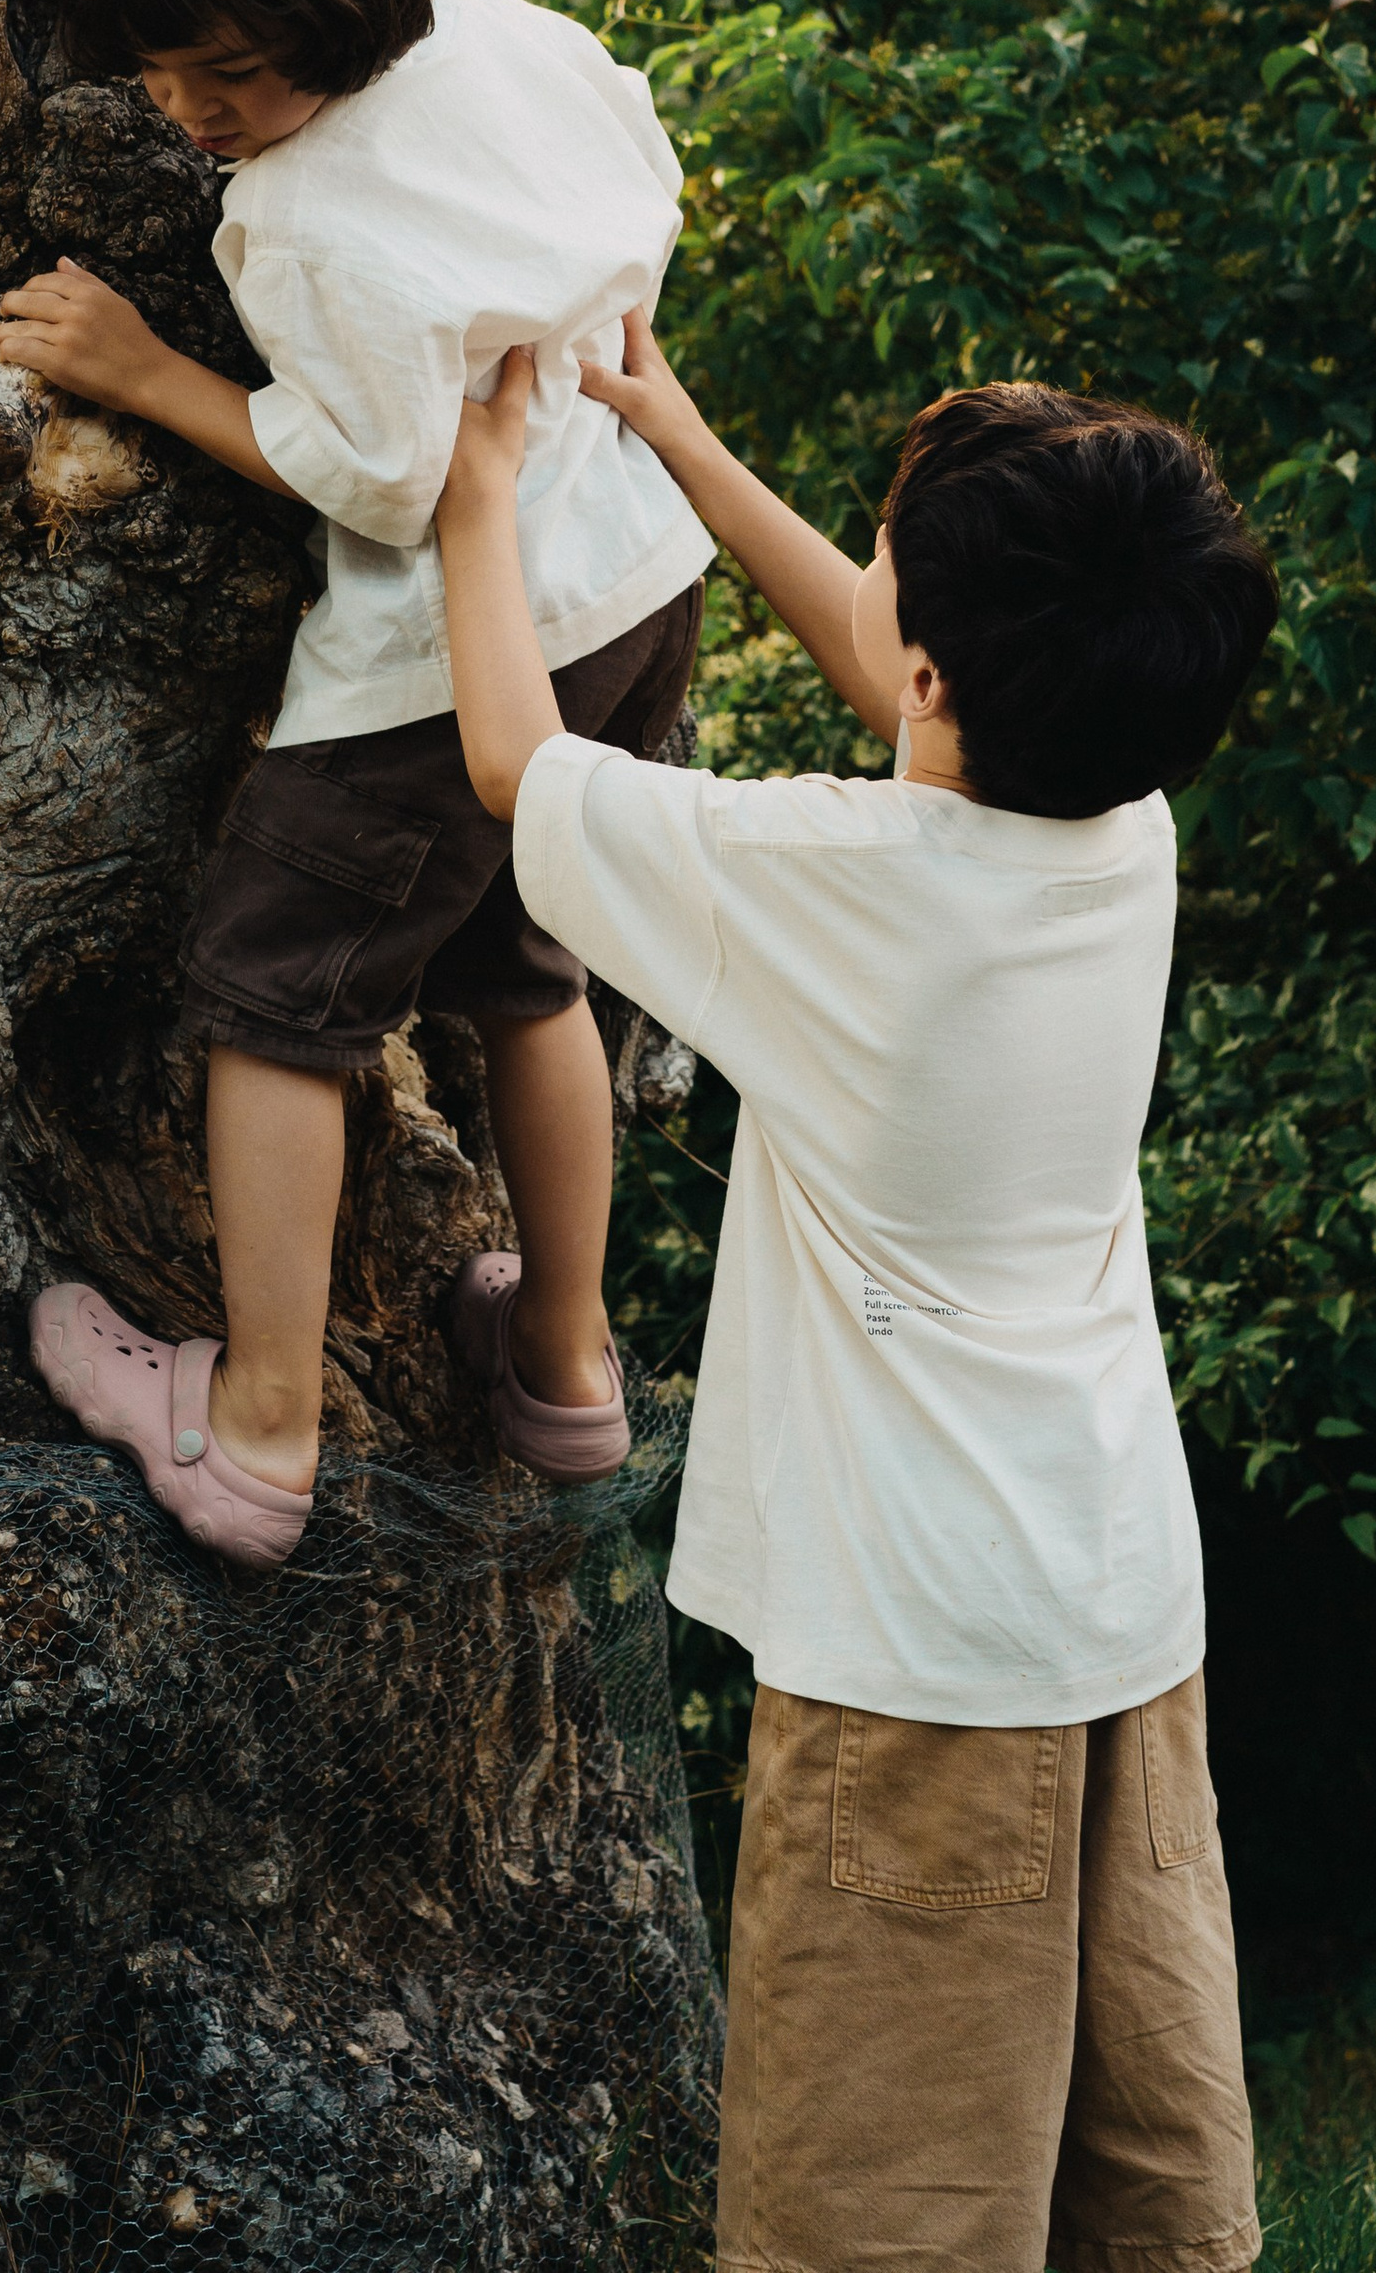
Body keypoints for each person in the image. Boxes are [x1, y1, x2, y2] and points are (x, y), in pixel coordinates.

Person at [432, 310, 1278, 2273]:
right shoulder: (1120, 829)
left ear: (935, 669)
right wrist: (678, 439)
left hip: (916, 1661)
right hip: (1115, 1611)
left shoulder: (834, 884)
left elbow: (508, 757)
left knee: (872, 2215)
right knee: (1130, 2183)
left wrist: (473, 496)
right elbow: (903, 676)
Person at [0, 0, 713, 1570]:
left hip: (437, 667)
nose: (184, 113)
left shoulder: (307, 222)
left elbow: (389, 481)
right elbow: (646, 160)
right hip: (634, 565)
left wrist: (149, 372)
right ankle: (562, 1371)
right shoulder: (492, 24)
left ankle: (256, 1434)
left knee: (274, 1000)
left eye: (223, 76)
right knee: (532, 969)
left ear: (327, 1)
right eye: (155, 70)